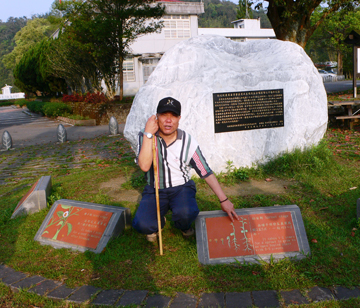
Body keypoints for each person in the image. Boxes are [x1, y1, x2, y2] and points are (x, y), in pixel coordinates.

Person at [132, 97, 239, 242]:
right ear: (156, 117)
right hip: (155, 189)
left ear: (179, 118)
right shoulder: (146, 136)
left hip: (181, 188)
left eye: (173, 115)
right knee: (141, 224)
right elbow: (144, 166)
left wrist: (224, 199)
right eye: (164, 115)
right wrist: (148, 135)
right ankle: (159, 222)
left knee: (187, 213)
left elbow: (205, 171)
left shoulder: (188, 141)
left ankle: (183, 225)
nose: (168, 120)